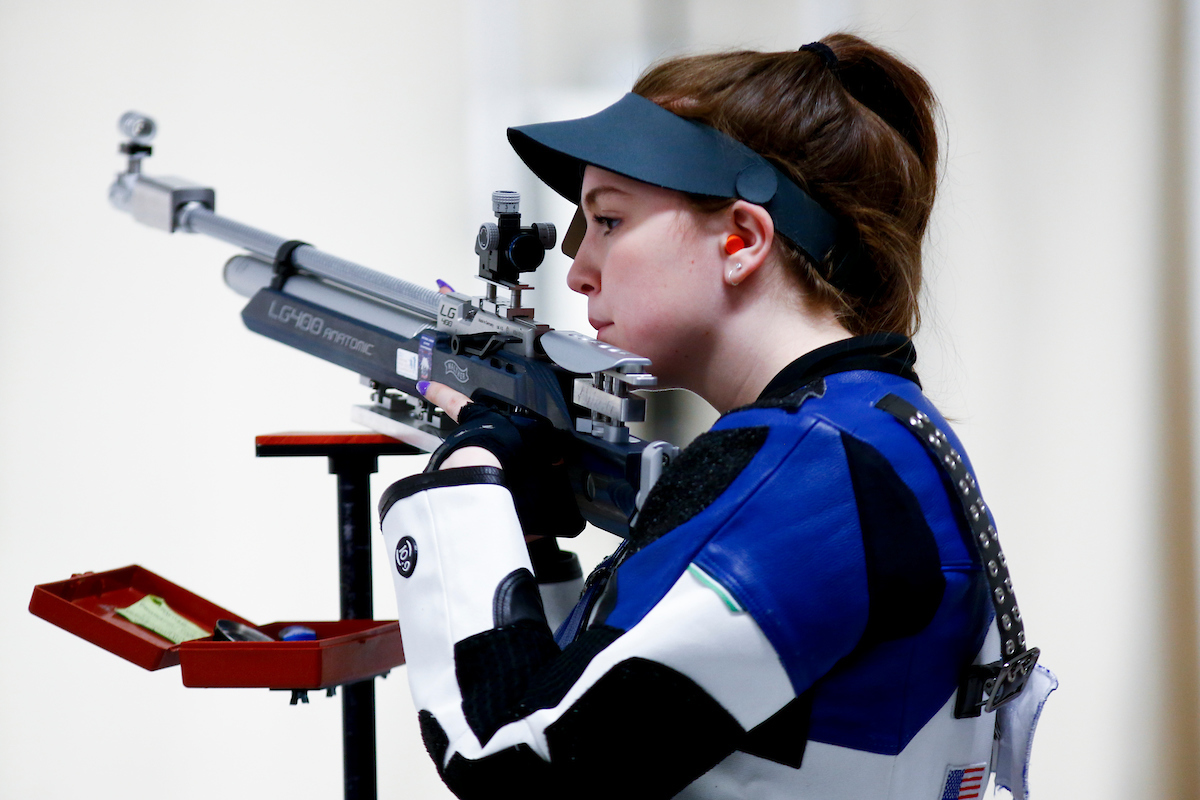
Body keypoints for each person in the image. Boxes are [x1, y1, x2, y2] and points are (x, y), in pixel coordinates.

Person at [378, 34, 1053, 800]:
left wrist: (465, 482)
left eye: (608, 221)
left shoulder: (809, 471)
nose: (579, 270)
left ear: (742, 241)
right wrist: (530, 543)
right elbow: (609, 719)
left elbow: (518, 767)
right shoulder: (869, 433)